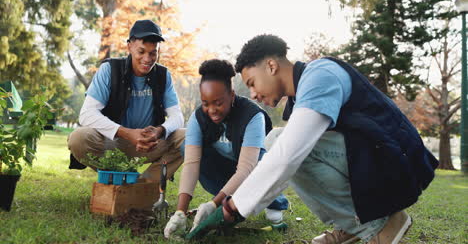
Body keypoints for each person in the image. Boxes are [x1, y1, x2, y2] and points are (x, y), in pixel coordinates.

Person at [187, 35, 439, 244]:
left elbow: (287, 156)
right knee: (280, 140)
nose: (252, 94)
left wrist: (231, 210)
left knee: (279, 142)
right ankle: (351, 225)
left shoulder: (319, 76)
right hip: (376, 158)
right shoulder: (301, 96)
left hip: (398, 164)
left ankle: (382, 224)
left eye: (252, 83)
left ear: (271, 66)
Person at [163, 59, 289, 238]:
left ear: (232, 95)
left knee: (263, 160)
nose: (211, 109)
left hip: (250, 168)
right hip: (225, 169)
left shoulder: (253, 116)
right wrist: (180, 212)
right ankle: (228, 199)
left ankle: (273, 202)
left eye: (218, 102)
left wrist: (213, 205)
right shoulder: (198, 118)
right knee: (187, 148)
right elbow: (191, 163)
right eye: (206, 103)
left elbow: (246, 168)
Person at [68, 19, 185, 182]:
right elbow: (86, 114)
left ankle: (144, 183)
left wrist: (159, 131)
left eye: (153, 53)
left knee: (187, 136)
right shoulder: (110, 70)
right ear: (129, 46)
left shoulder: (163, 75)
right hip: (113, 142)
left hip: (149, 144)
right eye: (141, 51)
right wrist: (127, 133)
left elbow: (177, 117)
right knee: (78, 138)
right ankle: (116, 177)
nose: (147, 59)